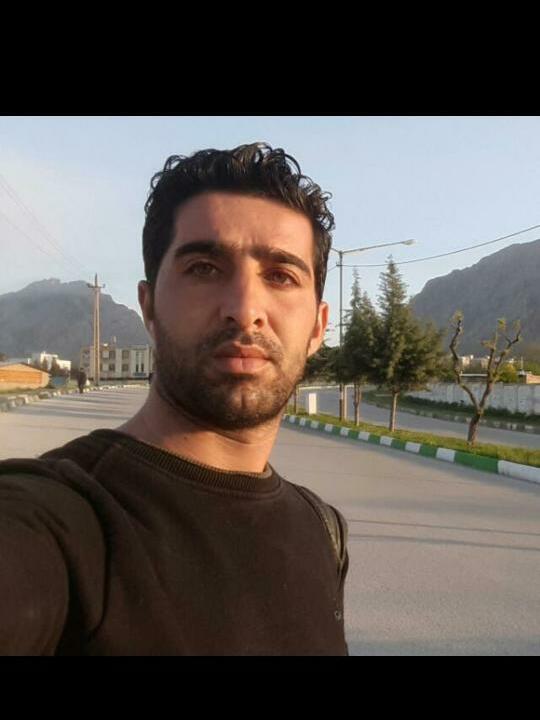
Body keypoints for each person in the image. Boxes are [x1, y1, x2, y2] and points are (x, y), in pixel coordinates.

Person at [0, 143, 349, 656]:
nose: (244, 308)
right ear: (149, 307)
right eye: (204, 268)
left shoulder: (323, 531)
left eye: (281, 275)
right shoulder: (61, 519)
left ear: (318, 327)